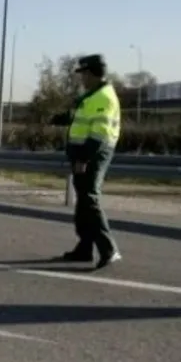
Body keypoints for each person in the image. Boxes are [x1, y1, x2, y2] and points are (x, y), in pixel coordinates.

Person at [61, 54, 122, 269]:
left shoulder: (103, 97)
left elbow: (99, 134)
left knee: (89, 199)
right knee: (84, 200)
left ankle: (108, 249)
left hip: (93, 155)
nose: (82, 79)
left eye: (84, 74)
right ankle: (85, 248)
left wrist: (83, 158)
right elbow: (83, 119)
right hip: (84, 154)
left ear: (92, 73)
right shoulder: (92, 96)